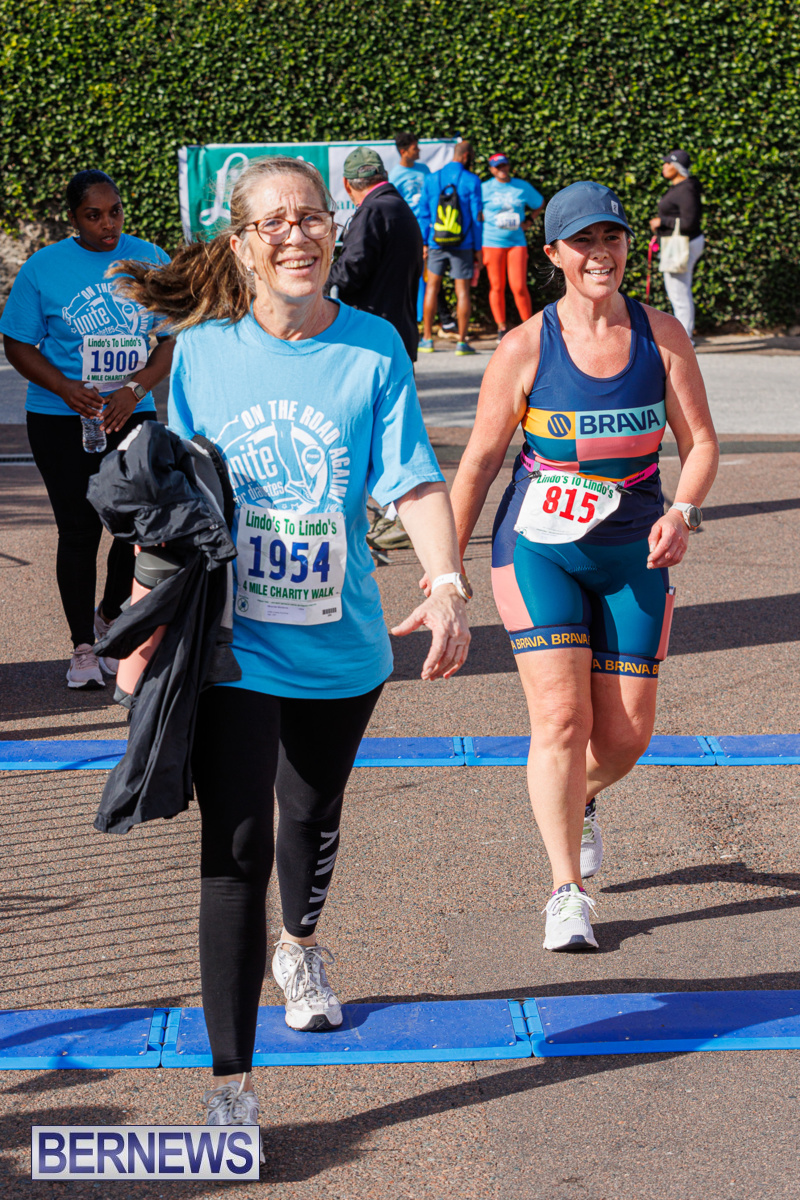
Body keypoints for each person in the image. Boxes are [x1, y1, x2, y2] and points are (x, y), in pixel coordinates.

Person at [115, 156, 471, 1138]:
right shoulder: (200, 354)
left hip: (340, 643)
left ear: (332, 229)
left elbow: (411, 481)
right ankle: (231, 1090)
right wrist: (142, 626)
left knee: (309, 816)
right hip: (233, 643)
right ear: (241, 244)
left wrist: (446, 583)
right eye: (271, 222)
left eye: (310, 217)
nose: (295, 235)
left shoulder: (372, 348)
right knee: (232, 851)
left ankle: (301, 943)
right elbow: (173, 502)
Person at [447, 181, 718, 952]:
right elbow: (479, 463)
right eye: (583, 242)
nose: (600, 254)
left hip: (634, 550)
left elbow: (700, 443)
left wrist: (682, 512)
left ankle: (575, 798)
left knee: (626, 737)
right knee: (562, 720)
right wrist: (446, 574)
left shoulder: (661, 335)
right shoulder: (526, 346)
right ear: (554, 254)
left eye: (612, 238)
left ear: (629, 245)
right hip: (539, 551)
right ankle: (566, 891)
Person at [0, 169, 173, 688]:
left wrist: (134, 389)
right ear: (73, 218)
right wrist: (63, 387)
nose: (108, 224)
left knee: (134, 526)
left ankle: (110, 618)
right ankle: (81, 647)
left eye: (114, 211)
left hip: (131, 412)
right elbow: (17, 343)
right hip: (60, 418)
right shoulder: (43, 267)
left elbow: (172, 339)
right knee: (78, 530)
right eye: (93, 216)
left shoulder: (151, 259)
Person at [326, 146, 423, 363]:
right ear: (385, 175)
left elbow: (350, 270)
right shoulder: (399, 207)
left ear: (346, 184)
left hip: (374, 336)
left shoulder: (371, 211)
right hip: (399, 331)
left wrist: (321, 280)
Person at [417, 140, 483, 355]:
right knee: (462, 291)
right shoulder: (472, 180)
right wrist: (478, 249)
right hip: (463, 244)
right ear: (466, 156)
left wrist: (424, 242)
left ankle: (427, 339)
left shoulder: (431, 179)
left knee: (432, 287)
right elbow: (477, 218)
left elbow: (424, 214)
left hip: (436, 242)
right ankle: (462, 343)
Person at [389, 132, 456, 331]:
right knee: (414, 276)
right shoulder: (395, 176)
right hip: (408, 233)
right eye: (414, 148)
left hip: (430, 231)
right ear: (403, 151)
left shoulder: (424, 169)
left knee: (433, 276)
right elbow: (394, 207)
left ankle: (442, 320)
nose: (418, 150)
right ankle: (417, 321)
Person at [481, 152, 543, 342]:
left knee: (519, 286)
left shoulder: (521, 186)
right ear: (491, 170)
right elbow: (474, 210)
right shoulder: (484, 188)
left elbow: (539, 203)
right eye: (498, 167)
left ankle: (529, 326)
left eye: (504, 165)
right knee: (497, 286)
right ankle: (501, 327)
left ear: (508, 166)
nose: (502, 169)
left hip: (517, 243)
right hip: (492, 242)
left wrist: (530, 220)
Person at [649, 149, 704, 342]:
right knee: (678, 292)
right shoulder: (679, 187)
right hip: (677, 244)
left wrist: (662, 222)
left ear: (678, 167)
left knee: (679, 293)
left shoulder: (686, 189)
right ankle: (684, 337)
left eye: (668, 163)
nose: (664, 166)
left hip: (682, 245)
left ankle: (685, 340)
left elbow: (689, 222)